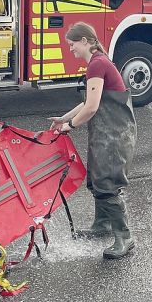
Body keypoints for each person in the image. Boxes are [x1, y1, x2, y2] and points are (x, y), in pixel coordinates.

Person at [50, 22, 137, 259]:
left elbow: (91, 107)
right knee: (98, 179)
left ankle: (124, 237)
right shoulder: (99, 61)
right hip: (107, 132)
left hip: (113, 134)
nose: (71, 50)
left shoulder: (97, 64)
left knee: (107, 183)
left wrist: (69, 126)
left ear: (85, 41)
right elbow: (90, 100)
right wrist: (64, 118)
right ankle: (103, 225)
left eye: (72, 44)